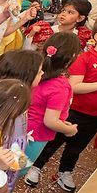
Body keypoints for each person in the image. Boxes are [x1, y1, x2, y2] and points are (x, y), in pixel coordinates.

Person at [31, 14, 97, 192]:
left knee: (76, 147)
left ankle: (65, 171)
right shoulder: (85, 58)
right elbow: (73, 86)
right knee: (53, 142)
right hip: (74, 111)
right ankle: (36, 166)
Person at [21, 31, 80, 175]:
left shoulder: (37, 72)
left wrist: (61, 122)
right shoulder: (60, 86)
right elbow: (50, 121)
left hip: (21, 126)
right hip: (35, 136)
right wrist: (69, 130)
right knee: (19, 170)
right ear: (72, 56)